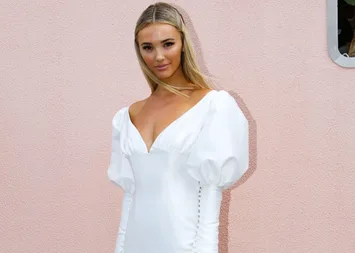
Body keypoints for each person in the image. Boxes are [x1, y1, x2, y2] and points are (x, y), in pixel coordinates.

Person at [107, 2, 249, 253]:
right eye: (147, 47)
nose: (159, 56)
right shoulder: (126, 117)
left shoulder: (213, 107)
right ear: (139, 51)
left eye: (168, 44)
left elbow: (210, 196)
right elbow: (130, 198)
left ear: (183, 43)